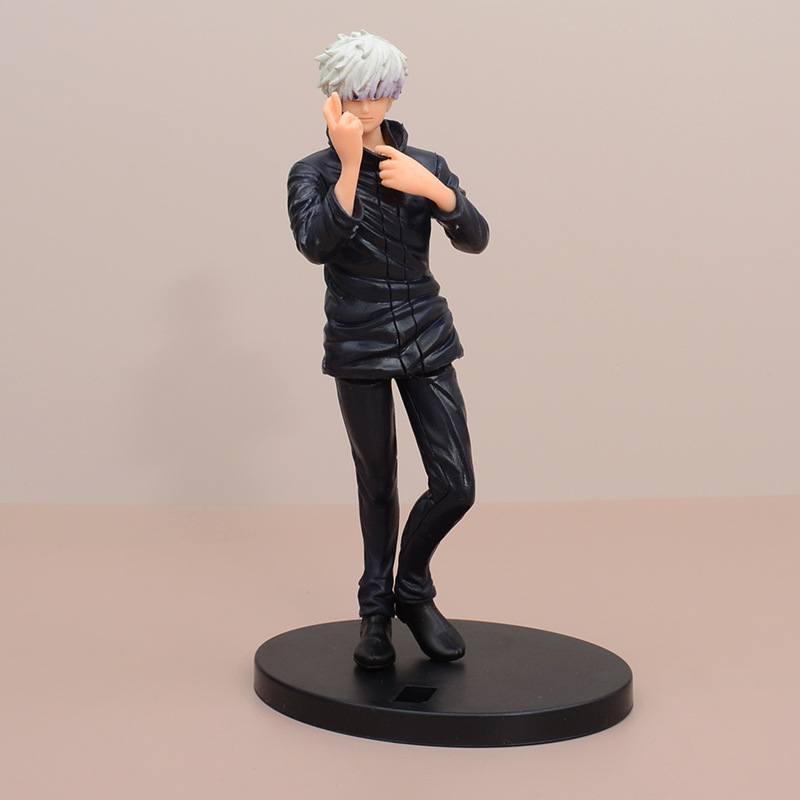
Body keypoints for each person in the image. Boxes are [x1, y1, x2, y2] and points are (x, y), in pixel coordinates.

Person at [288, 31, 489, 669]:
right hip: (357, 341)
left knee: (456, 484)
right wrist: (350, 167)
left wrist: (438, 191)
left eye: (377, 92)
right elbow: (315, 244)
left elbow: (476, 237)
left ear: (394, 93)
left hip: (426, 334)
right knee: (376, 482)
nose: (366, 106)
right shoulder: (312, 172)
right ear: (333, 96)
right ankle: (375, 613)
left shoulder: (423, 161)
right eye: (353, 94)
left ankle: (412, 592)